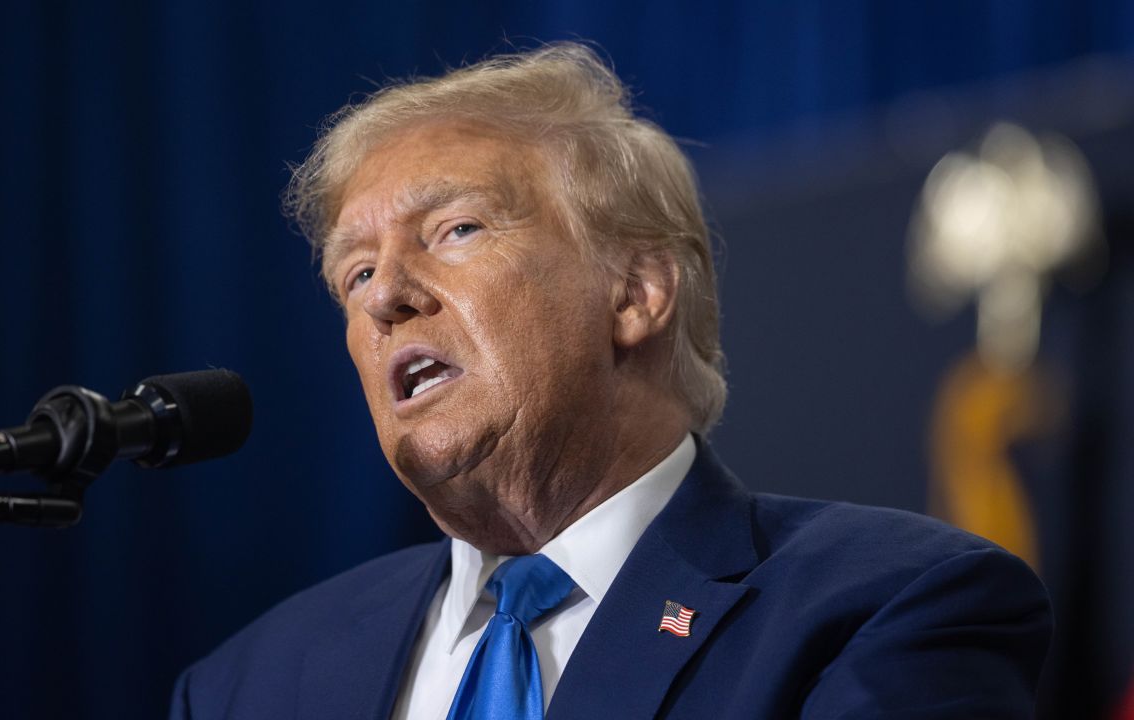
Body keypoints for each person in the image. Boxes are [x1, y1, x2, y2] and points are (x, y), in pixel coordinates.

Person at [169, 43, 1051, 719]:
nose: (387, 298)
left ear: (635, 292)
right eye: (354, 275)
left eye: (457, 229)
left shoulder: (883, 609)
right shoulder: (247, 687)